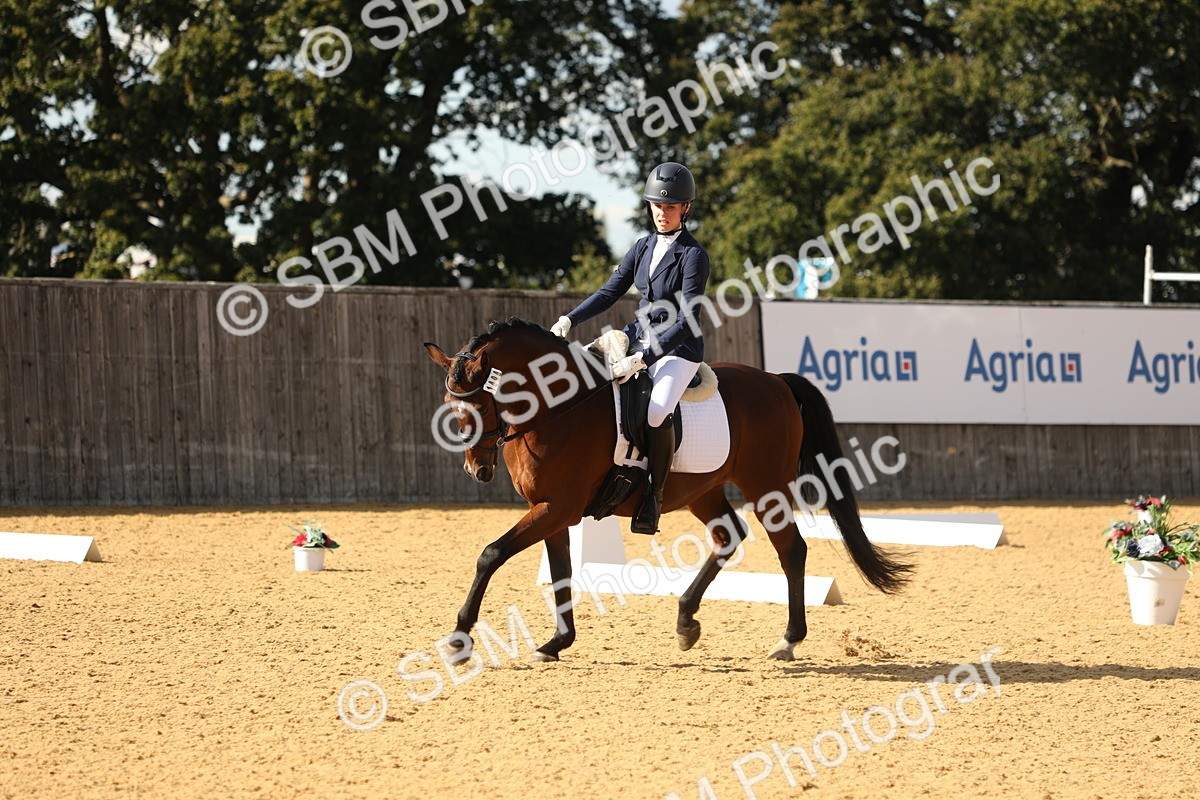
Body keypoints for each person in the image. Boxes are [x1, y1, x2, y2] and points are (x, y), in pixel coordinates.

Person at [549, 162, 711, 534]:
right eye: (656, 205)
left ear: (685, 209)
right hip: (636, 335)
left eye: (670, 207)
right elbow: (609, 293)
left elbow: (687, 319)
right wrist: (569, 320)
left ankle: (653, 495)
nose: (662, 213)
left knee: (655, 412)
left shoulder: (693, 256)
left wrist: (644, 358)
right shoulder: (642, 247)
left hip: (678, 349)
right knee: (588, 380)